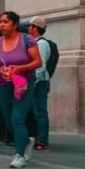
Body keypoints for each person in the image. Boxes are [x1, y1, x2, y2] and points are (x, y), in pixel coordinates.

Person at [0, 11, 42, 168]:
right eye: (0, 21)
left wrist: (19, 68)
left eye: (6, 21)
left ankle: (19, 155)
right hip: (3, 84)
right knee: (9, 121)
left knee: (17, 118)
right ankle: (27, 141)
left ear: (15, 24)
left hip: (23, 85)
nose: (2, 24)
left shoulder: (27, 40)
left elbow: (38, 62)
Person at [27, 17, 53, 151]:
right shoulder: (35, 42)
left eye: (29, 26)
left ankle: (43, 141)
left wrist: (32, 81)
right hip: (37, 82)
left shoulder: (41, 44)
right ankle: (38, 138)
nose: (27, 29)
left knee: (40, 112)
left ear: (35, 28)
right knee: (36, 111)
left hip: (40, 82)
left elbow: (40, 65)